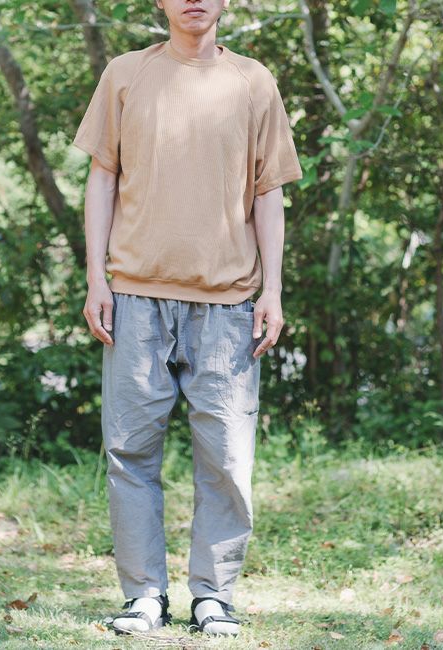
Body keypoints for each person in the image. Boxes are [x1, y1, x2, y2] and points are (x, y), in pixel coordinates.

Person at [73, 0, 302, 637]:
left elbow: (269, 192)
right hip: (134, 297)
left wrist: (273, 289)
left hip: (230, 303)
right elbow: (101, 178)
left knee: (227, 458)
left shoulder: (253, 81)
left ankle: (213, 597)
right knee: (129, 453)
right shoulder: (126, 74)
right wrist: (97, 278)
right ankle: (144, 596)